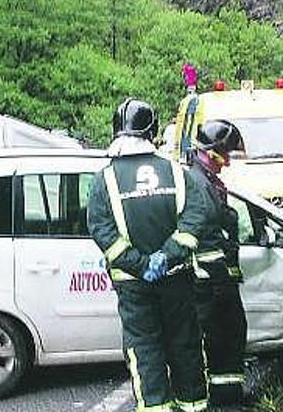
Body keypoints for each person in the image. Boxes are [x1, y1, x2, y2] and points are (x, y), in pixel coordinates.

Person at [87, 98, 212, 412]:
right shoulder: (176, 172)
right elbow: (195, 218)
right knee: (185, 346)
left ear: (117, 129)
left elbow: (102, 231)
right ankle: (193, 405)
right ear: (152, 130)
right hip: (176, 280)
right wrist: (167, 256)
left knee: (145, 351)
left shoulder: (105, 179)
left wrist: (140, 266)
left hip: (133, 286)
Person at [186, 119, 248, 404]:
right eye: (226, 156)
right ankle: (225, 402)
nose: (228, 163)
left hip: (215, 283)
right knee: (223, 344)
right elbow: (207, 238)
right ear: (212, 153)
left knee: (229, 340)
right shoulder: (199, 185)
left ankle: (227, 398)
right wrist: (221, 280)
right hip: (209, 286)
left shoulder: (205, 181)